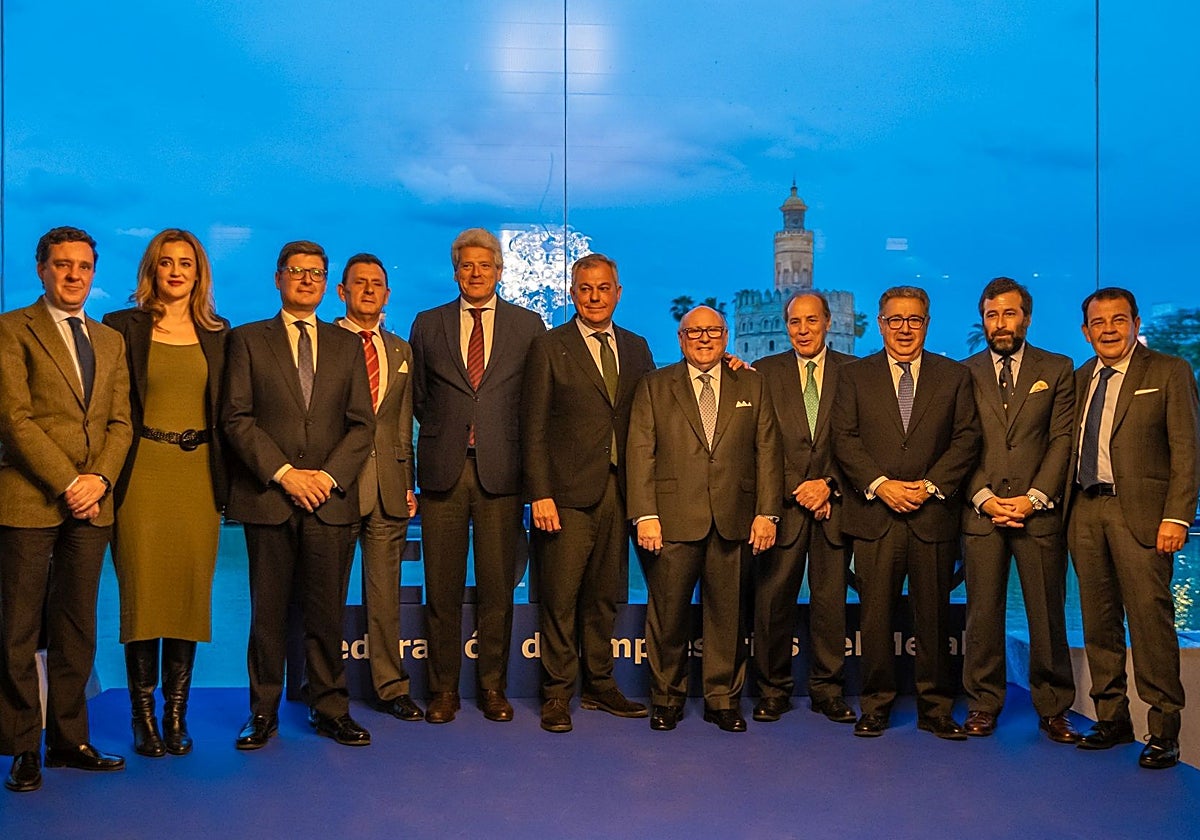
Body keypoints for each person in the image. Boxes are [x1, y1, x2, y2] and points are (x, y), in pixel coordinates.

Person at [222, 240, 375, 749]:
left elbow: (361, 426)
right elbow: (236, 419)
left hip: (329, 500)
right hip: (270, 498)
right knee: (267, 614)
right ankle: (262, 712)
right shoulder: (246, 340)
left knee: (326, 612)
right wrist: (286, 474)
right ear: (278, 278)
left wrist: (325, 479)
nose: (306, 280)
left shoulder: (347, 344)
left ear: (327, 282)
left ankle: (330, 708)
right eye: (296, 271)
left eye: (315, 272)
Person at [0, 226, 133, 792]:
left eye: (82, 266)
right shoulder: (10, 329)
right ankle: (22, 744)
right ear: (41, 270)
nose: (72, 275)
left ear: (93, 273)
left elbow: (120, 423)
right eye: (61, 265)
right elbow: (14, 419)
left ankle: (68, 739)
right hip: (30, 499)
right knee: (19, 629)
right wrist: (67, 481)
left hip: (93, 505)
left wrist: (99, 478)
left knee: (77, 627)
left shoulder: (109, 341)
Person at [409, 228, 545, 724]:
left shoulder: (528, 325)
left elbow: (533, 401)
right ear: (455, 271)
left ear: (500, 271)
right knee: (440, 589)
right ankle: (443, 690)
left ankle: (493, 688)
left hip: (502, 473)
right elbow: (421, 398)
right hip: (444, 471)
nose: (475, 273)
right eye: (466, 266)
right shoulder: (428, 324)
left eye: (484, 266)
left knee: (497, 589)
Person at [831, 286, 980, 740]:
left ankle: (935, 709)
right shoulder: (855, 377)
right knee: (875, 618)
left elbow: (967, 439)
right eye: (895, 319)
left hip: (932, 517)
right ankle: (875, 705)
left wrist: (930, 487)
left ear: (926, 324)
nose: (904, 328)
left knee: (933, 617)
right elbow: (845, 439)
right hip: (875, 516)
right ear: (880, 324)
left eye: (913, 319)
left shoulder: (953, 376)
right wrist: (881, 486)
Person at [103, 229, 229, 758]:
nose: (176, 272)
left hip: (199, 477)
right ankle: (142, 718)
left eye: (186, 263)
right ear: (151, 269)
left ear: (199, 273)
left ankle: (176, 716)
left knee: (185, 595)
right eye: (165, 263)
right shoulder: (119, 326)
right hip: (139, 476)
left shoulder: (222, 333)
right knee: (144, 594)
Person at [626, 305, 782, 733]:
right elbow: (640, 453)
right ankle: (666, 697)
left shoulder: (752, 382)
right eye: (694, 332)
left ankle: (722, 699)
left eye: (713, 330)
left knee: (727, 617)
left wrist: (767, 513)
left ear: (725, 335)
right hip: (671, 521)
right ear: (680, 339)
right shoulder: (655, 385)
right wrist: (645, 515)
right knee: (668, 616)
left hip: (735, 519)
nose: (704, 338)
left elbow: (768, 452)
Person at [1066, 287, 1200, 770]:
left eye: (1117, 320)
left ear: (1134, 323)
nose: (1107, 329)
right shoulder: (1080, 379)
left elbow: (1187, 450)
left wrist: (1177, 515)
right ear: (1086, 331)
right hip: (1084, 512)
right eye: (1098, 323)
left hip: (1142, 515)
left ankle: (1164, 730)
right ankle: (1112, 719)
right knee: (1098, 623)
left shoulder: (1168, 372)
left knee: (1150, 625)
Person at [522, 253, 655, 733]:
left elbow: (658, 408)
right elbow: (532, 427)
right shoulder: (549, 347)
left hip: (620, 493)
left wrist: (726, 362)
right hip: (565, 496)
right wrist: (540, 493)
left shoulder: (638, 348)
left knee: (605, 596)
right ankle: (557, 694)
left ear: (618, 292)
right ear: (572, 293)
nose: (595, 296)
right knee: (560, 598)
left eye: (603, 288)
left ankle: (600, 685)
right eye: (585, 288)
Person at [960, 277, 1078, 742]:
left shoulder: (1058, 367)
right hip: (981, 513)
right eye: (992, 314)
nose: (1001, 323)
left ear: (1026, 317)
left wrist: (1033, 498)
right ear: (983, 319)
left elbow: (1062, 440)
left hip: (1039, 513)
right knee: (982, 614)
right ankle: (983, 704)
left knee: (1047, 614)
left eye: (1009, 313)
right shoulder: (963, 373)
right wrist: (985, 498)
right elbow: (959, 446)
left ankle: (1053, 708)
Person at [751, 291, 856, 725]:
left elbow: (858, 440)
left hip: (833, 508)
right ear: (786, 326)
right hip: (784, 509)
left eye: (812, 321)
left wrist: (828, 485)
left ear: (828, 322)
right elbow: (759, 445)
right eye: (795, 322)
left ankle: (827, 692)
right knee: (773, 604)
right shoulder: (763, 372)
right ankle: (772, 690)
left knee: (830, 607)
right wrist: (799, 489)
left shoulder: (854, 372)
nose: (803, 330)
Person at [334, 253, 422, 722]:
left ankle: (390, 687)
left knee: (385, 598)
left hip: (389, 488)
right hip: (336, 489)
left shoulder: (401, 350)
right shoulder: (324, 345)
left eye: (377, 284)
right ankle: (319, 688)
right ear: (342, 292)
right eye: (359, 283)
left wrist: (408, 484)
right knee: (324, 597)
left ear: (387, 294)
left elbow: (402, 424)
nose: (369, 290)